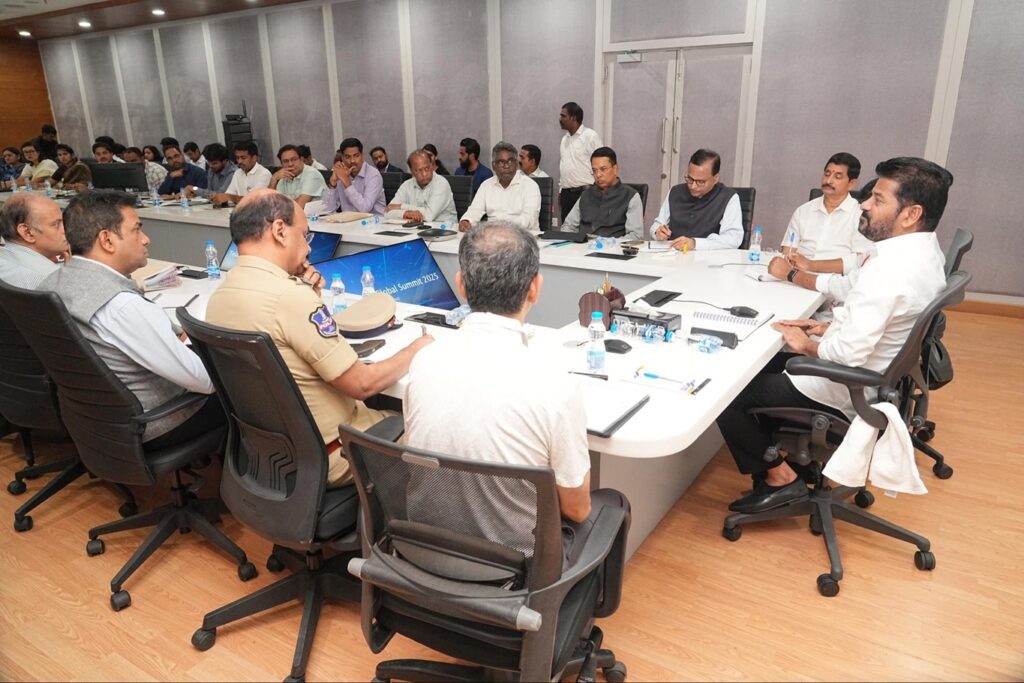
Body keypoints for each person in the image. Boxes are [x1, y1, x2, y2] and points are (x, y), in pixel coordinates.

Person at [715, 157, 952, 514]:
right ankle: (784, 456)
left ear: (910, 214)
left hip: (845, 383)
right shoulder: (925, 252)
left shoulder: (889, 270)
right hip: (876, 373)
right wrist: (826, 327)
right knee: (756, 358)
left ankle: (781, 478)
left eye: (878, 199)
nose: (865, 205)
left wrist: (808, 345)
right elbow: (884, 322)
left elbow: (845, 356)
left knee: (727, 389)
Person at [403, 220, 628, 566]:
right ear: (535, 289)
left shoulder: (423, 362)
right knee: (612, 503)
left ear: (461, 286)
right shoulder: (555, 385)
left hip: (427, 552)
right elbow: (578, 509)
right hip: (515, 571)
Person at [205, 189, 433, 487]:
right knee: (432, 425)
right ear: (279, 231)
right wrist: (417, 349)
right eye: (305, 235)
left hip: (276, 456)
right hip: (336, 452)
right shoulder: (290, 297)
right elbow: (362, 385)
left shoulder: (220, 296)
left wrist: (309, 298)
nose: (309, 249)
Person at [37, 190, 221, 445]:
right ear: (107, 240)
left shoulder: (52, 283)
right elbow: (205, 381)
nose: (146, 239)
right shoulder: (121, 305)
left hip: (94, 422)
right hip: (155, 423)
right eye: (137, 229)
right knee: (246, 391)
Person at [766, 153, 875, 302]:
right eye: (827, 174)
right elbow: (788, 248)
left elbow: (858, 261)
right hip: (794, 281)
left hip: (833, 288)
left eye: (837, 176)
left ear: (852, 183)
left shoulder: (860, 216)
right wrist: (791, 261)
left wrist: (811, 266)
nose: (828, 180)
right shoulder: (803, 210)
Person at [650, 148, 743, 251]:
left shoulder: (729, 198)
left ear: (716, 178)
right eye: (690, 179)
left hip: (707, 261)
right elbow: (657, 224)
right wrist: (658, 232)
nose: (693, 186)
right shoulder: (675, 192)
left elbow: (733, 238)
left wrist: (695, 243)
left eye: (700, 182)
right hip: (672, 257)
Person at [561, 147, 643, 239]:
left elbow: (635, 236)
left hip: (611, 250)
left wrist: (610, 245)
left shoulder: (630, 196)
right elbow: (568, 226)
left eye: (603, 169)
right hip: (581, 248)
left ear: (615, 169)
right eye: (594, 170)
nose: (598, 175)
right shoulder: (586, 195)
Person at [458, 142, 541, 232]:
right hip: (493, 235)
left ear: (516, 164)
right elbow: (475, 209)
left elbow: (529, 219)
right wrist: (466, 220)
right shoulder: (486, 185)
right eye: (501, 162)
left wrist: (501, 226)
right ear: (494, 165)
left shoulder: (530, 186)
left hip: (523, 236)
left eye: (510, 161)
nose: (506, 166)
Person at [0, 194, 68, 288]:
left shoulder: (4, 263)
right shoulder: (52, 280)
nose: (66, 230)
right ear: (27, 232)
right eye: (56, 224)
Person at [384, 149, 457, 225]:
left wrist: (401, 206)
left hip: (444, 229)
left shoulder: (441, 183)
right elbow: (387, 211)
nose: (424, 174)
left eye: (427, 168)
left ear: (432, 166)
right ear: (412, 172)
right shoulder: (407, 185)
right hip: (418, 228)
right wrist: (406, 213)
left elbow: (429, 215)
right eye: (419, 170)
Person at [558, 101, 603, 222]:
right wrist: (561, 191)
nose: (560, 119)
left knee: (586, 231)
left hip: (586, 193)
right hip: (567, 195)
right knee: (567, 232)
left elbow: (601, 164)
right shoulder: (564, 139)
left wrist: (599, 192)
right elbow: (564, 165)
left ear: (573, 118)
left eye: (563, 116)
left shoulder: (590, 136)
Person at [320, 137, 385, 215]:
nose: (352, 161)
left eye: (356, 156)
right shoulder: (341, 174)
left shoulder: (374, 175)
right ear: (342, 158)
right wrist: (333, 183)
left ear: (362, 156)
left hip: (373, 223)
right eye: (347, 157)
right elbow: (327, 209)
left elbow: (364, 209)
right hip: (348, 224)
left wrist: (346, 182)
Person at [270, 144, 326, 209]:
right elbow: (270, 204)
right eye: (286, 161)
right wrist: (273, 179)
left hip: (319, 217)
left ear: (301, 160)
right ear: (281, 164)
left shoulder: (312, 174)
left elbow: (300, 205)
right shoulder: (283, 177)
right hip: (292, 215)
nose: (290, 164)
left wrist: (280, 206)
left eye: (294, 159)